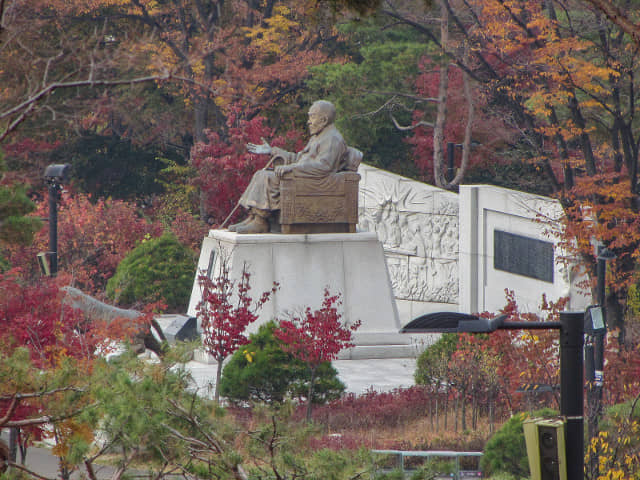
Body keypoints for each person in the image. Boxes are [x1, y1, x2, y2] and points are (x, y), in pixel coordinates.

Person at [229, 100, 348, 234]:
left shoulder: (332, 138)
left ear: (324, 119)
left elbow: (324, 166)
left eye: (312, 117)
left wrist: (292, 168)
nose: (308, 121)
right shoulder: (318, 137)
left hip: (316, 182)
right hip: (304, 176)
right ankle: (254, 217)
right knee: (260, 174)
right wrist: (272, 150)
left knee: (267, 177)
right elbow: (299, 159)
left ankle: (260, 221)